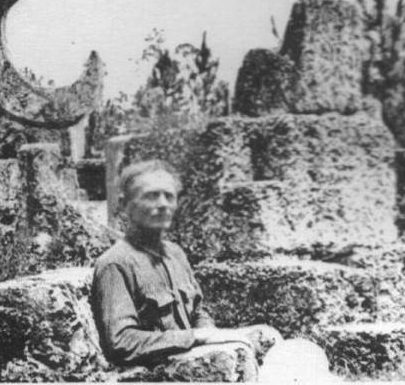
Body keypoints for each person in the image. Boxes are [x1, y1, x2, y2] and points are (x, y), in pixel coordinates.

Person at [90, 160, 283, 379]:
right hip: (158, 373)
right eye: (151, 196)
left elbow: (198, 312)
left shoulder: (175, 253)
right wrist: (198, 338)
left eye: (169, 196)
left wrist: (213, 336)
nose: (163, 204)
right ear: (125, 205)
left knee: (274, 338)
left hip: (195, 360)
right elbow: (121, 342)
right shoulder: (115, 264)